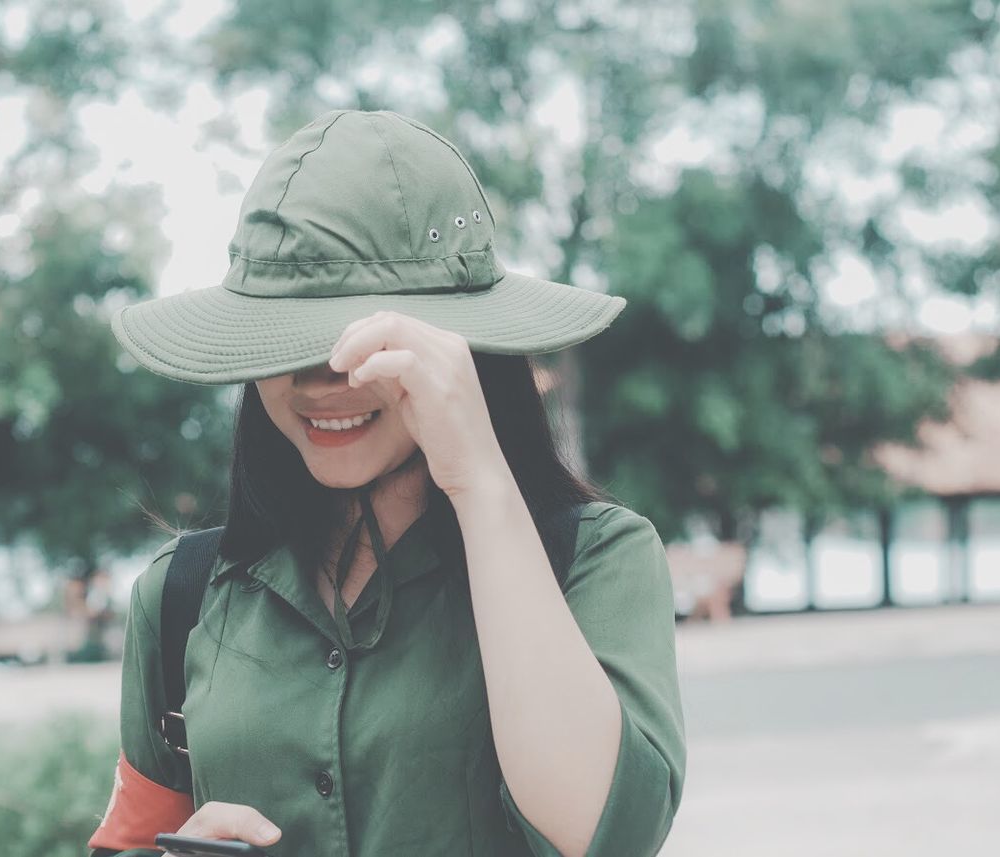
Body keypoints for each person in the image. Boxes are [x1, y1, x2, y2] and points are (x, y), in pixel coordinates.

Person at [88, 109, 685, 857]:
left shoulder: (596, 561)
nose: (319, 381)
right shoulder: (179, 595)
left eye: (365, 341)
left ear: (461, 347)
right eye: (285, 341)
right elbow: (132, 842)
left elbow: (606, 834)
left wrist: (476, 475)